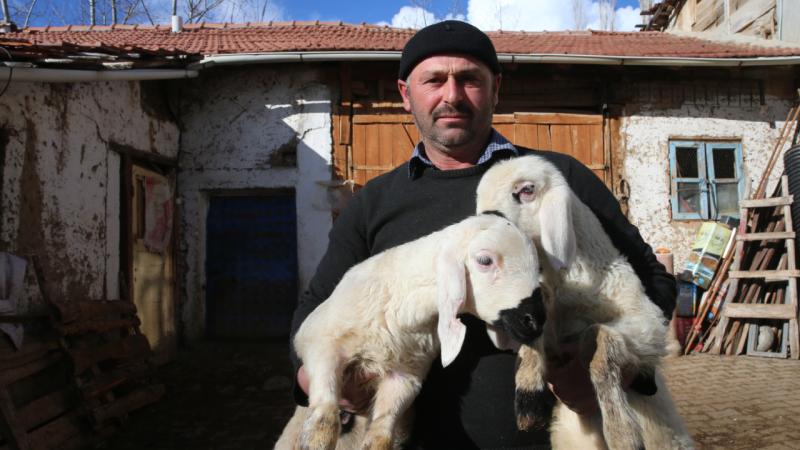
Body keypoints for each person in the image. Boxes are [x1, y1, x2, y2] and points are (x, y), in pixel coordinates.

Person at [289, 20, 676, 449]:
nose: (451, 95)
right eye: (434, 80)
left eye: (469, 79)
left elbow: (650, 279)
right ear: (405, 94)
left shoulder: (553, 180)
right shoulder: (372, 203)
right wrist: (322, 384)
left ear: (495, 90)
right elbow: (313, 310)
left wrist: (621, 375)